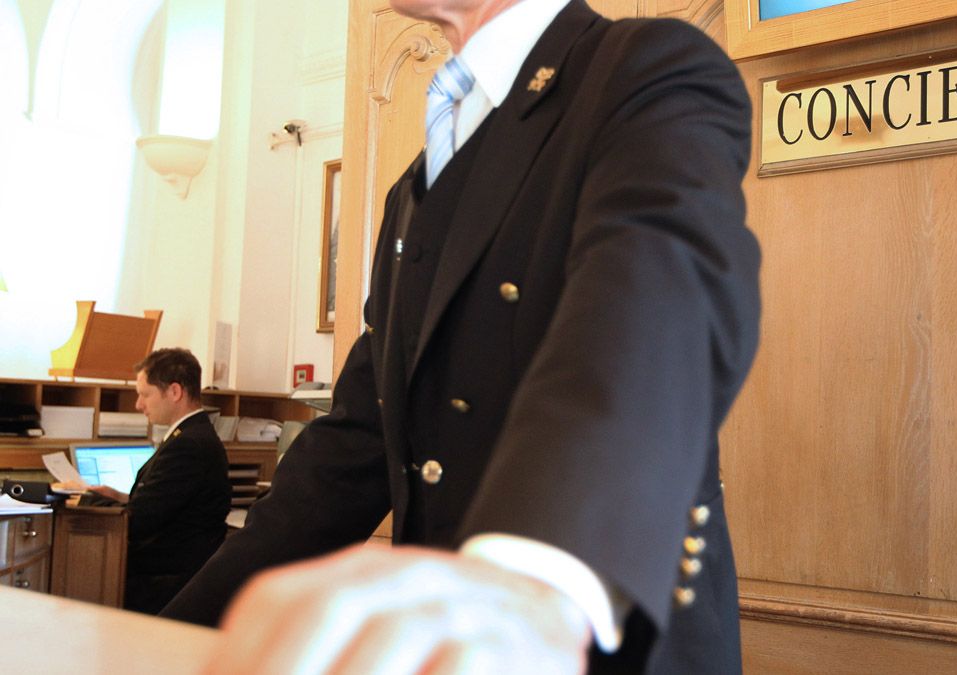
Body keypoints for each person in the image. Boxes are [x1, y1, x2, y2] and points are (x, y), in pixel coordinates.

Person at [161, 0, 760, 670]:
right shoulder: (413, 187)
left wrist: (534, 575)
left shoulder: (646, 69)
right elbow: (354, 443)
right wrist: (170, 637)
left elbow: (661, 296)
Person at [88, 348, 231, 615]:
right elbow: (166, 502)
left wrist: (89, 502)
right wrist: (120, 497)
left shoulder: (188, 444)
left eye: (145, 394)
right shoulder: (189, 435)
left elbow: (140, 521)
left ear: (175, 392)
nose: (138, 405)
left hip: (166, 585)